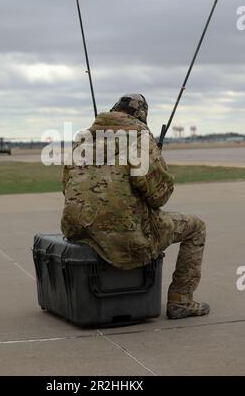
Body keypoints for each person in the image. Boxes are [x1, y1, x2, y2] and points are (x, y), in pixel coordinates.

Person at [61, 94, 209, 319]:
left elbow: (67, 188)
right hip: (128, 237)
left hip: (78, 231)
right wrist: (159, 162)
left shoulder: (82, 140)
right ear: (141, 116)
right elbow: (159, 197)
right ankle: (181, 300)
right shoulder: (141, 140)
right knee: (196, 227)